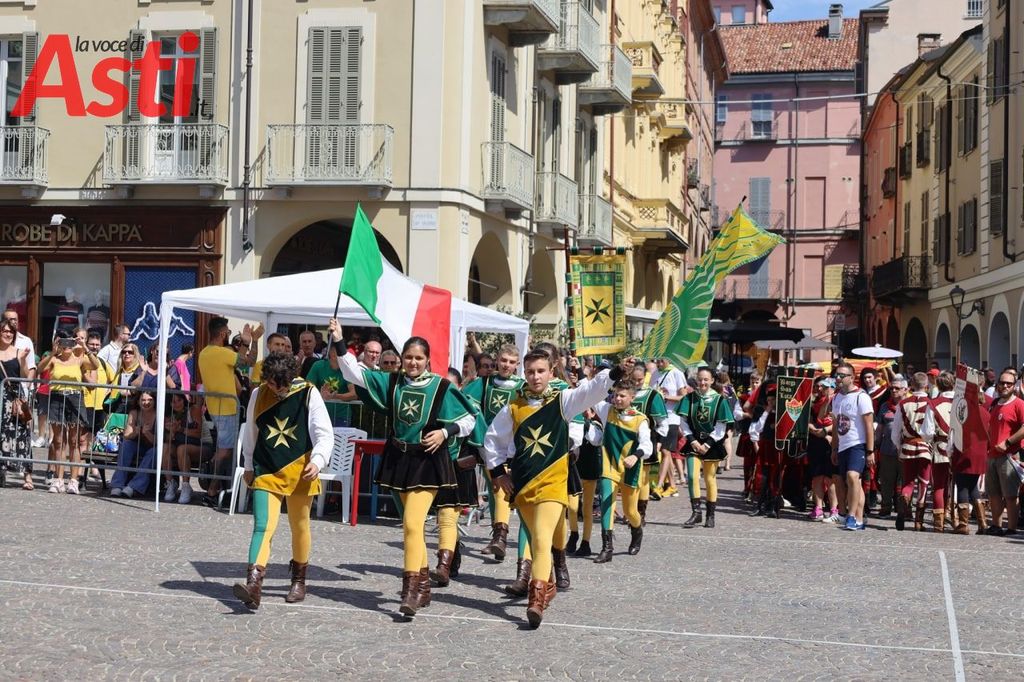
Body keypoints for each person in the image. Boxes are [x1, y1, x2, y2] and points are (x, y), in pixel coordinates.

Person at [335, 320, 481, 618]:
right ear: (402, 359)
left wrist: (445, 432)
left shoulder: (441, 387)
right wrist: (339, 340)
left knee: (413, 525)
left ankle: (410, 591)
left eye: (419, 358)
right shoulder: (392, 382)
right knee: (410, 526)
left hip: (428, 461)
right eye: (409, 357)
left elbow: (469, 419)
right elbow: (354, 373)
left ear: (427, 360)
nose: (413, 362)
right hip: (399, 460)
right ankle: (424, 584)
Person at [484, 350, 621, 628]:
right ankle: (551, 577)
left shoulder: (563, 400)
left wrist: (615, 374)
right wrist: (499, 473)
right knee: (540, 537)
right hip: (524, 484)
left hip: (553, 482)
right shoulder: (514, 407)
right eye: (530, 372)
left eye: (541, 371)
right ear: (524, 373)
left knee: (541, 537)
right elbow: (493, 440)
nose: (536, 377)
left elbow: (590, 391)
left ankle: (535, 599)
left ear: (550, 372)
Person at [232, 352, 333, 609]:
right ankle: (253, 584)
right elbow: (251, 430)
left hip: (301, 469)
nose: (277, 389)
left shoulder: (308, 393)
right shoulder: (258, 394)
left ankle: (299, 580)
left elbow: (323, 432)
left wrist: (318, 460)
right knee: (263, 526)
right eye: (272, 384)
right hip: (266, 468)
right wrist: (248, 463)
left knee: (300, 526)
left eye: (281, 385)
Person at [462, 344, 524, 563]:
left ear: (517, 365)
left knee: (501, 490)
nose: (506, 365)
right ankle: (498, 538)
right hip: (490, 447)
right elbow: (465, 401)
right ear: (497, 360)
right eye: (503, 360)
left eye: (511, 362)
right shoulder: (485, 383)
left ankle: (500, 538)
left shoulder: (523, 387)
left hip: (514, 448)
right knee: (495, 488)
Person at [430, 367, 488, 587]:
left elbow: (482, 439)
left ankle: (443, 565)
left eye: (450, 386)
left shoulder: (468, 407)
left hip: (458, 468)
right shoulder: (430, 405)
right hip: (434, 467)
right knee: (444, 516)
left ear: (460, 387)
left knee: (447, 515)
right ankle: (453, 554)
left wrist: (495, 470)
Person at [585, 378, 653, 560]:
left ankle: (637, 530)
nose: (617, 399)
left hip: (630, 469)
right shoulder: (607, 410)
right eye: (615, 395)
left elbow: (647, 445)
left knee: (630, 511)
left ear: (632, 398)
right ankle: (607, 548)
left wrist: (636, 455)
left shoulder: (640, 419)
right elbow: (590, 393)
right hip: (609, 467)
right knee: (606, 504)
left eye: (622, 396)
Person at [198, 317, 260, 505]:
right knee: (225, 451)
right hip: (226, 408)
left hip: (215, 407)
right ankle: (212, 489)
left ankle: (218, 486)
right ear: (223, 334)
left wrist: (245, 343)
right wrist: (253, 341)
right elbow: (249, 361)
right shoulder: (222, 353)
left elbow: (237, 363)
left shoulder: (204, 353)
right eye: (228, 333)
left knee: (225, 449)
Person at [36, 328, 99, 494]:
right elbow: (39, 369)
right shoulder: (54, 359)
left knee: (74, 441)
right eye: (64, 343)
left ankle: (74, 480)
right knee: (58, 441)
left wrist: (84, 347)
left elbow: (95, 365)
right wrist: (52, 352)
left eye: (70, 342)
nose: (67, 346)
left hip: (75, 398)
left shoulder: (79, 359)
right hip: (57, 397)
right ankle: (58, 479)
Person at [677, 367, 733, 529]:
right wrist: (692, 440)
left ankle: (710, 515)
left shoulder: (719, 400)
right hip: (694, 442)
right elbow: (683, 422)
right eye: (700, 379)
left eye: (706, 380)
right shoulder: (689, 398)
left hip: (712, 443)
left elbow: (721, 426)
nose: (702, 382)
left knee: (709, 479)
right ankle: (696, 513)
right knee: (692, 477)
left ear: (712, 381)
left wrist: (707, 443)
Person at [830, 361, 875, 531]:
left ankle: (850, 516)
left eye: (842, 375)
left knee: (852, 476)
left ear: (852, 377)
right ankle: (859, 519)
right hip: (843, 445)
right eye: (837, 375)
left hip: (858, 444)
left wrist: (870, 451)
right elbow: (836, 425)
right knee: (850, 482)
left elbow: (869, 425)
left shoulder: (861, 397)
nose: (838, 378)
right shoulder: (836, 397)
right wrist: (834, 448)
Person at [983, 370, 1024, 536]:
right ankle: (996, 525)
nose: (1005, 386)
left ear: (1014, 386)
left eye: (1009, 383)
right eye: (1002, 383)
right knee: (993, 493)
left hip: (1009, 455)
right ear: (997, 384)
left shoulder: (1019, 404)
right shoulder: (994, 403)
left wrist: (1008, 442)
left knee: (1010, 494)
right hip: (992, 455)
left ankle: (1012, 528)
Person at [949, 373, 989, 534]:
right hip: (980, 454)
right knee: (973, 487)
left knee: (963, 487)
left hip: (964, 453)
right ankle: (982, 523)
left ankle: (963, 524)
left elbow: (954, 434)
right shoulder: (986, 413)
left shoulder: (963, 412)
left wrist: (950, 452)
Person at [893, 372, 933, 532]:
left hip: (907, 447)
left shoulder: (903, 404)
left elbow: (895, 431)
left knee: (908, 482)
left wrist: (898, 447)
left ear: (911, 385)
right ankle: (918, 522)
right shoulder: (931, 403)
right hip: (924, 447)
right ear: (927, 386)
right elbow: (930, 430)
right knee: (924, 483)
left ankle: (904, 499)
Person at [629, 362, 668, 526]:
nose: (636, 383)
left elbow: (662, 422)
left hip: (647, 439)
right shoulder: (625, 393)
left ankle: (641, 513)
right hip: (628, 439)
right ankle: (630, 510)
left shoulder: (652, 395)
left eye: (639, 380)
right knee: (630, 478)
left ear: (645, 377)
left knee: (643, 478)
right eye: (633, 380)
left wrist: (658, 441)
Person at [0, 318, 33, 489]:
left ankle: (28, 476)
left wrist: (23, 360)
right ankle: (2, 473)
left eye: (11, 332)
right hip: (0, 399)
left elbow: (26, 375)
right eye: (5, 331)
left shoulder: (19, 352)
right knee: (1, 436)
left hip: (15, 399)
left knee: (22, 435)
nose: (8, 334)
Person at [921, 371, 954, 532]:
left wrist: (930, 440)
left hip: (940, 447)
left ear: (938, 385)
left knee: (939, 485)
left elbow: (927, 432)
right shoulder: (963, 402)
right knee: (958, 485)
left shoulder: (933, 404)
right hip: (960, 448)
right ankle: (958, 520)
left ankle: (938, 523)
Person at [109, 390, 158, 498]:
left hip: (152, 446)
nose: (146, 403)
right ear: (138, 401)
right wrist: (135, 432)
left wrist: (147, 433)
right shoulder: (134, 413)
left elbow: (158, 442)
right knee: (126, 445)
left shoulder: (158, 414)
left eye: (150, 400)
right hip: (136, 444)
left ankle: (134, 486)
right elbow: (127, 435)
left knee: (155, 452)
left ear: (154, 401)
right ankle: (117, 484)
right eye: (143, 400)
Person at [650, 358, 687, 499]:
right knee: (666, 452)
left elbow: (684, 397)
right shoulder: (655, 373)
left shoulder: (676, 373)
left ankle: (659, 486)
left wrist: (666, 397)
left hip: (672, 416)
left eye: (662, 361)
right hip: (658, 417)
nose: (659, 364)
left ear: (668, 359)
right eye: (657, 361)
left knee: (665, 450)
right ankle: (672, 486)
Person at [169, 393, 214, 504]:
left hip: (203, 445)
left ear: (184, 400)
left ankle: (186, 486)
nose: (177, 404)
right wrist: (172, 432)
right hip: (182, 445)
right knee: (166, 448)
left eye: (179, 400)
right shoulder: (171, 415)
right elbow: (168, 438)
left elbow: (197, 433)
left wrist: (180, 429)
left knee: (182, 449)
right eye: (173, 402)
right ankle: (170, 483)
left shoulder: (193, 410)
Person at [875, 375, 907, 519]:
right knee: (886, 481)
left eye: (897, 388)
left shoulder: (910, 405)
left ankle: (904, 509)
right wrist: (875, 445)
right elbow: (879, 429)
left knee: (905, 482)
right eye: (892, 388)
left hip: (906, 452)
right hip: (887, 450)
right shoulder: (884, 406)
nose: (894, 391)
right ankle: (885, 507)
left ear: (905, 390)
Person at [807, 377, 839, 522]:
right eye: (819, 386)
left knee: (830, 478)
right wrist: (818, 432)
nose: (820, 389)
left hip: (832, 441)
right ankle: (818, 508)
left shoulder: (838, 400)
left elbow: (839, 422)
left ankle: (834, 509)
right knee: (817, 477)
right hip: (816, 441)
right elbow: (818, 419)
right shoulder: (816, 402)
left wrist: (826, 432)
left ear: (833, 388)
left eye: (825, 387)